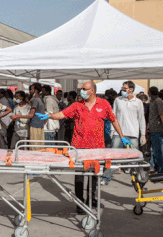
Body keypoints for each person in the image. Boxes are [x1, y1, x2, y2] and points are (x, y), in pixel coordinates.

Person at [36, 81, 130, 214]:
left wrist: (122, 136)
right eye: (82, 89)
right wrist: (49, 116)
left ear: (92, 90)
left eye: (84, 89)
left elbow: (113, 119)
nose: (82, 91)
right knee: (79, 175)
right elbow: (62, 114)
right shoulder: (77, 105)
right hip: (79, 147)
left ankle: (92, 199)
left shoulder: (103, 104)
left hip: (97, 147)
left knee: (94, 174)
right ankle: (79, 202)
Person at [102, 81, 146, 185]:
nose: (122, 90)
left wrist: (143, 134)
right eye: (122, 88)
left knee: (135, 160)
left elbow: (141, 119)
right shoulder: (118, 100)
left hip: (133, 134)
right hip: (119, 134)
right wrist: (113, 130)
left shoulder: (138, 102)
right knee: (112, 157)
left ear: (131, 90)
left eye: (124, 88)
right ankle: (106, 178)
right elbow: (113, 116)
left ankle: (137, 181)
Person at [148, 86, 163, 173]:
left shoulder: (158, 101)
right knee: (155, 151)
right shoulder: (154, 101)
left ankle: (161, 170)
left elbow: (161, 115)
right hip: (154, 130)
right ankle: (158, 169)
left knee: (158, 151)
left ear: (150, 93)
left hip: (158, 130)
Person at [28, 83, 46, 149]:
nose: (30, 91)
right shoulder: (42, 100)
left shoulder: (35, 100)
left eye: (32, 89)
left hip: (34, 125)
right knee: (40, 147)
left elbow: (31, 115)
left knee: (34, 147)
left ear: (36, 90)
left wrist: (18, 116)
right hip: (41, 125)